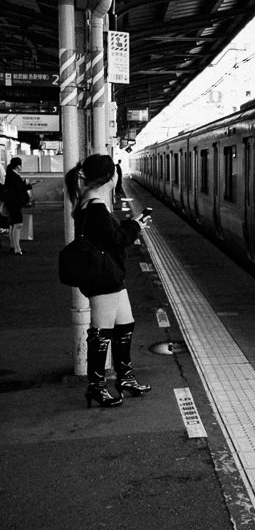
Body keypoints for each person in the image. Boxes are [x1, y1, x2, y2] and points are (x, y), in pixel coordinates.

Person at [65, 154, 152, 408]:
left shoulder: (91, 203)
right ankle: (97, 387)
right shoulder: (94, 206)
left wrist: (131, 224)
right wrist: (136, 228)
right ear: (109, 177)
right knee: (101, 333)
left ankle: (125, 378)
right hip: (103, 277)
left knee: (125, 325)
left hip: (109, 273)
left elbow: (107, 236)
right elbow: (117, 240)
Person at [3, 157, 33, 255]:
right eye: (21, 165)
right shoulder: (13, 176)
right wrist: (29, 185)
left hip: (11, 203)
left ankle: (13, 246)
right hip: (14, 204)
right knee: (18, 224)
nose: (22, 166)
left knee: (12, 224)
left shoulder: (10, 175)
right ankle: (17, 248)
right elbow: (18, 189)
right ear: (17, 166)